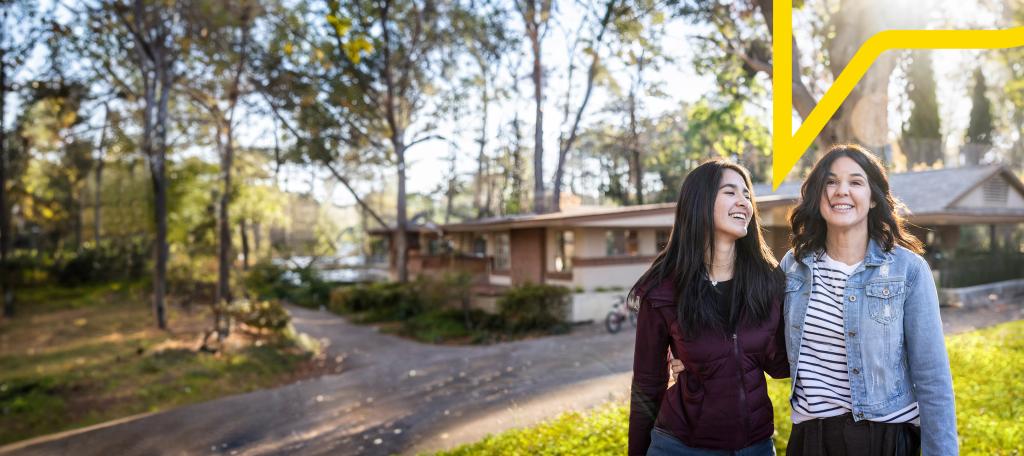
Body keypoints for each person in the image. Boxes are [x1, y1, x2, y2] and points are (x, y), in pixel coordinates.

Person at [780, 144, 957, 455]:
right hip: (811, 440)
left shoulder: (908, 270)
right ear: (818, 194)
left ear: (874, 198)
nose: (841, 191)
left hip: (885, 440)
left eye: (856, 182)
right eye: (831, 182)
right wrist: (695, 353)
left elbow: (932, 377)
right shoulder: (793, 268)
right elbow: (758, 339)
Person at [628, 159, 788, 455]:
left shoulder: (767, 280)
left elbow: (779, 365)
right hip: (680, 446)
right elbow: (647, 386)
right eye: (730, 192)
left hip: (755, 447)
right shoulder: (663, 289)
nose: (744, 202)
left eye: (746, 194)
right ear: (700, 203)